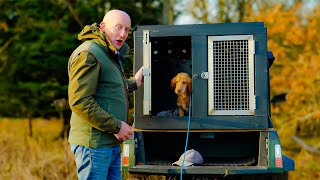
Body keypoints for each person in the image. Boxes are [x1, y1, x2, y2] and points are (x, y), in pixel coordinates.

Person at [67, 9, 143, 180]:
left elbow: (107, 88)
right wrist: (116, 126)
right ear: (103, 26)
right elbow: (80, 101)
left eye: (127, 30)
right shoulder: (89, 54)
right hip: (94, 145)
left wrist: (134, 83)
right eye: (118, 27)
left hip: (110, 143)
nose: (123, 34)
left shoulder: (108, 53)